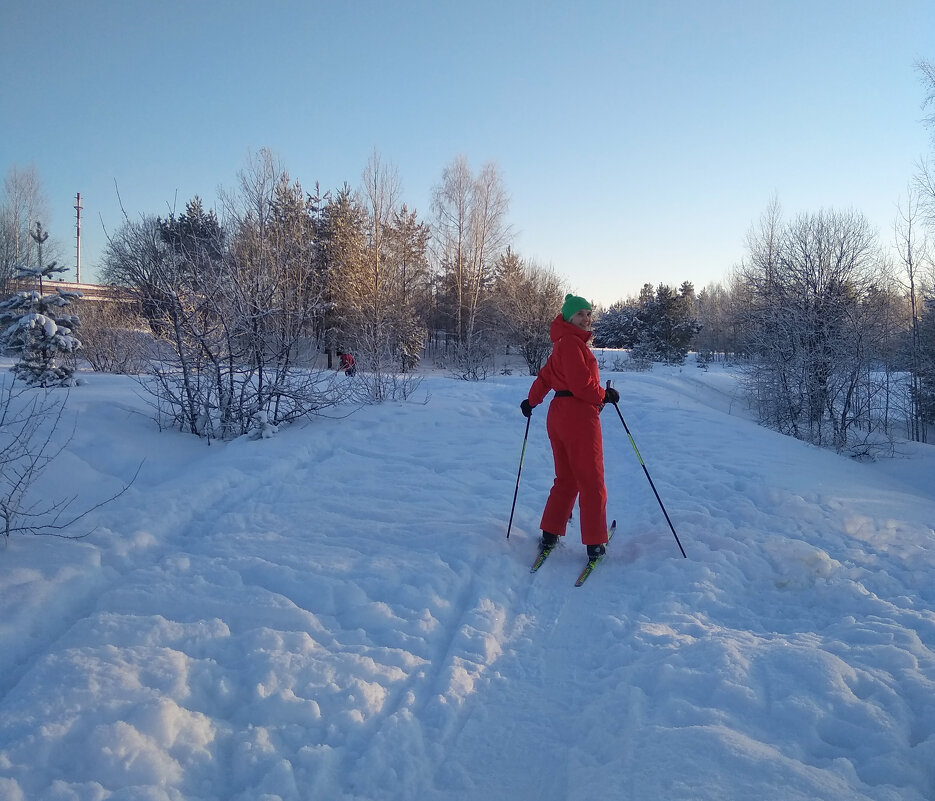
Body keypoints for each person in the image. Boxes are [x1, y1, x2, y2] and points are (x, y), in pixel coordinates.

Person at [520, 294, 619, 560]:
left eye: (588, 313)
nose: (586, 318)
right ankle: (595, 542)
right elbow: (581, 385)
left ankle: (550, 531)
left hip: (558, 416)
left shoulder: (560, 345)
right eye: (580, 314)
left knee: (566, 479)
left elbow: (545, 378)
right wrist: (604, 395)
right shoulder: (573, 345)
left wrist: (530, 402)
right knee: (591, 480)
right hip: (579, 418)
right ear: (568, 318)